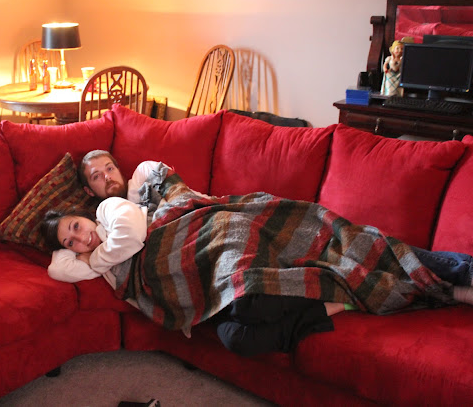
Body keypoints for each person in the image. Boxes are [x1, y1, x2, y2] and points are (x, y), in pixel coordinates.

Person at [44, 150, 473, 356]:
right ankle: (347, 296)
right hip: (200, 280)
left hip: (218, 231)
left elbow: (139, 231)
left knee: (331, 239)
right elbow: (60, 268)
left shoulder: (120, 206)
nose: (107, 177)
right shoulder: (92, 233)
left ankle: (455, 270)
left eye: (109, 168)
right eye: (96, 177)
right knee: (238, 337)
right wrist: (79, 249)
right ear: (87, 191)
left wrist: (94, 256)